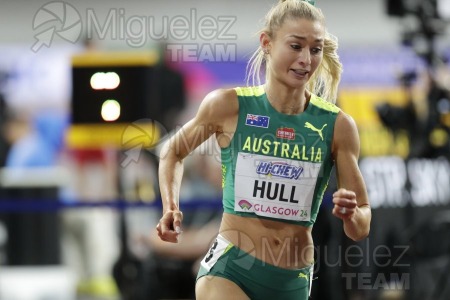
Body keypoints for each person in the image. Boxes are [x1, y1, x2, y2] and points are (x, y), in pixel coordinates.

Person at [156, 0, 372, 299]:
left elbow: (361, 224)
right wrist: (171, 206)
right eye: (296, 46)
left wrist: (351, 215)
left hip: (292, 279)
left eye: (315, 49)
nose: (306, 59)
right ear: (267, 43)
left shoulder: (337, 125)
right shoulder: (228, 106)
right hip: (231, 267)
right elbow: (172, 152)